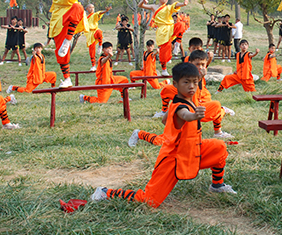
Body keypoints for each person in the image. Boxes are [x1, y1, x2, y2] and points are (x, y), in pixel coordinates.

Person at [92, 62, 236, 207]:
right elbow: (184, 114)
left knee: (219, 147)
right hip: (173, 158)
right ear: (175, 84)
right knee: (150, 201)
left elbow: (164, 119)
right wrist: (193, 116)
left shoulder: (180, 100)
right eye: (186, 82)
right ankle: (106, 192)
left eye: (194, 82)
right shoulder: (181, 106)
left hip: (192, 149)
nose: (191, 86)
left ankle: (217, 186)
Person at [132, 50, 235, 144]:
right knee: (165, 141)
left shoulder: (201, 73)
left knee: (216, 106)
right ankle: (140, 134)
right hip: (184, 106)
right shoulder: (186, 75)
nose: (200, 67)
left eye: (202, 65)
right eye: (197, 64)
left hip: (197, 105)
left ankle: (218, 131)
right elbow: (177, 106)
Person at [23, 0, 93, 88]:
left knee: (78, 6)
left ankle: (68, 39)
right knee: (60, 52)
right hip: (57, 15)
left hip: (71, 11)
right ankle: (67, 78)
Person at [138, 0, 189, 76]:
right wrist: (143, 0)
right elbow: (140, 5)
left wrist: (183, 4)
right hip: (162, 31)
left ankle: (177, 44)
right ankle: (164, 69)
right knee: (164, 50)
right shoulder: (154, 7)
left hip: (170, 27)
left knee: (181, 25)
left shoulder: (168, 7)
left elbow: (175, 5)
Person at [85, 4, 111, 71]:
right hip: (89, 34)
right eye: (90, 7)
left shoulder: (94, 15)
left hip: (95, 31)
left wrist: (105, 11)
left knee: (99, 32)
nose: (92, 9)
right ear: (87, 8)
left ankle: (100, 45)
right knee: (91, 50)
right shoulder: (84, 16)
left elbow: (99, 13)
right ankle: (93, 65)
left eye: (93, 7)